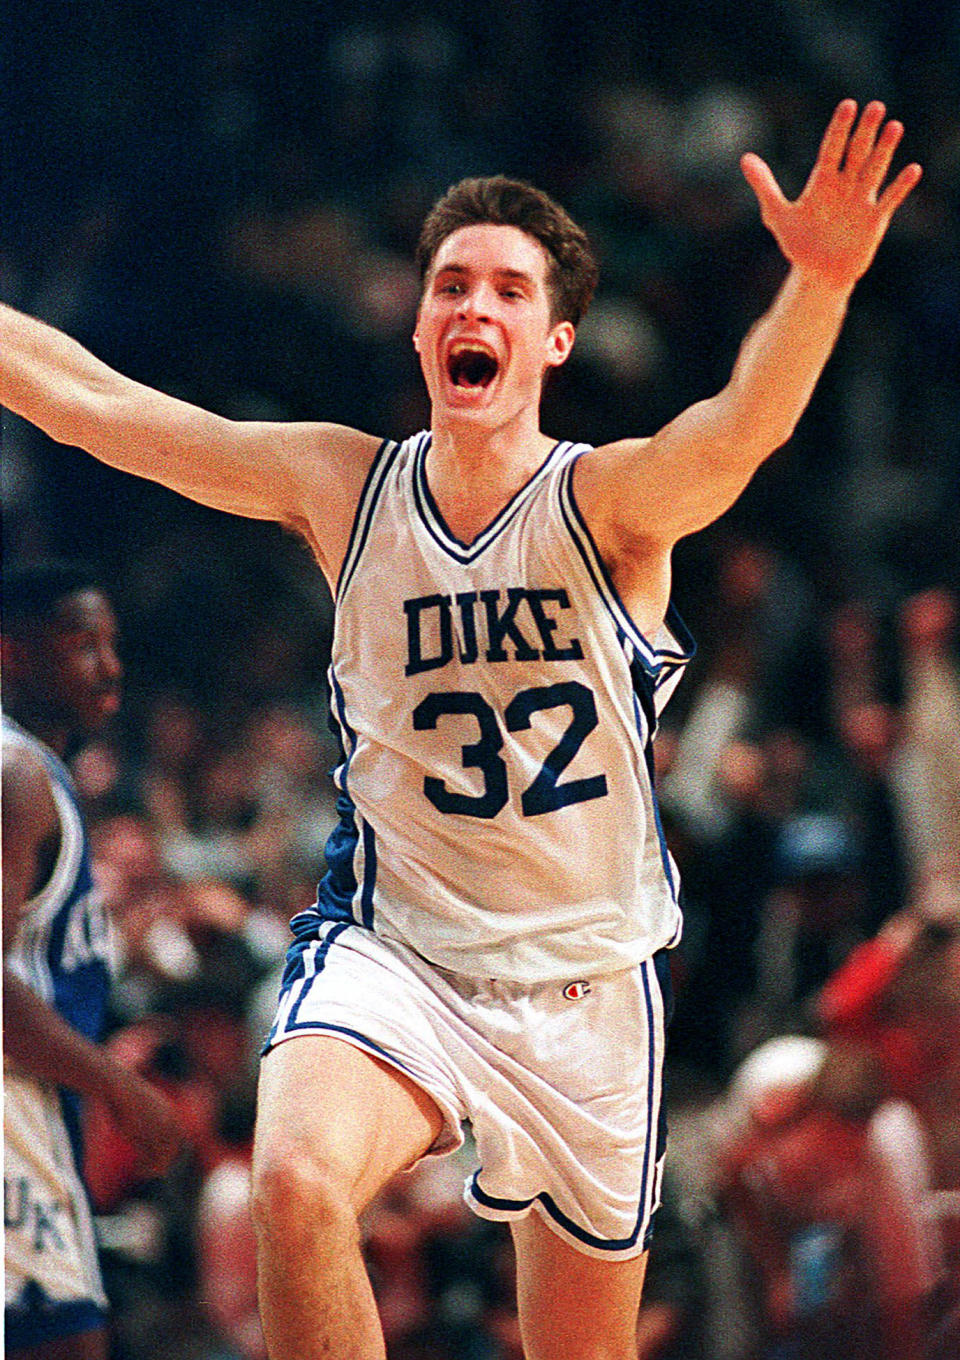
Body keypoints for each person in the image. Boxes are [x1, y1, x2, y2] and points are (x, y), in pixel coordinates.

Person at [0, 100, 921, 1359]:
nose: (470, 307)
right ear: (423, 324)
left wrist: (815, 284)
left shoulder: (609, 505)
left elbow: (742, 428)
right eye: (448, 285)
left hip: (589, 983)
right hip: (400, 951)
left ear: (553, 338)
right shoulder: (341, 484)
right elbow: (96, 405)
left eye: (504, 288)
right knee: (292, 1182)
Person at [2, 562, 183, 1359]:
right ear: (12, 655)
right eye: (81, 644)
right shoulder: (16, 775)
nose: (109, 666)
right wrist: (121, 1086)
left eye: (111, 643)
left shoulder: (36, 773)